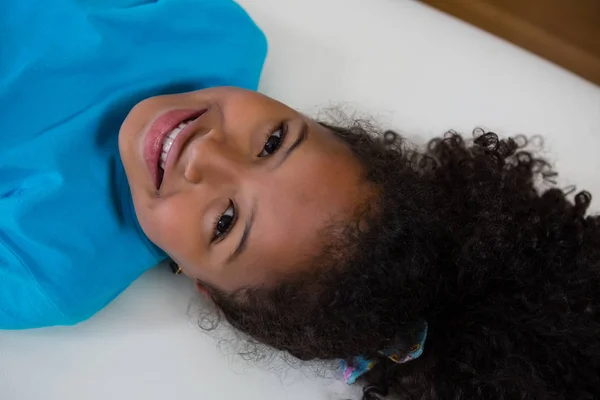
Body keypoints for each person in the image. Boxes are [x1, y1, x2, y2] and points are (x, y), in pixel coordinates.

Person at [2, 1, 599, 400]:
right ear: (321, 122)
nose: (204, 152)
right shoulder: (217, 32)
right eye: (272, 140)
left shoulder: (45, 271)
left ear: (201, 285)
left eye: (227, 222)